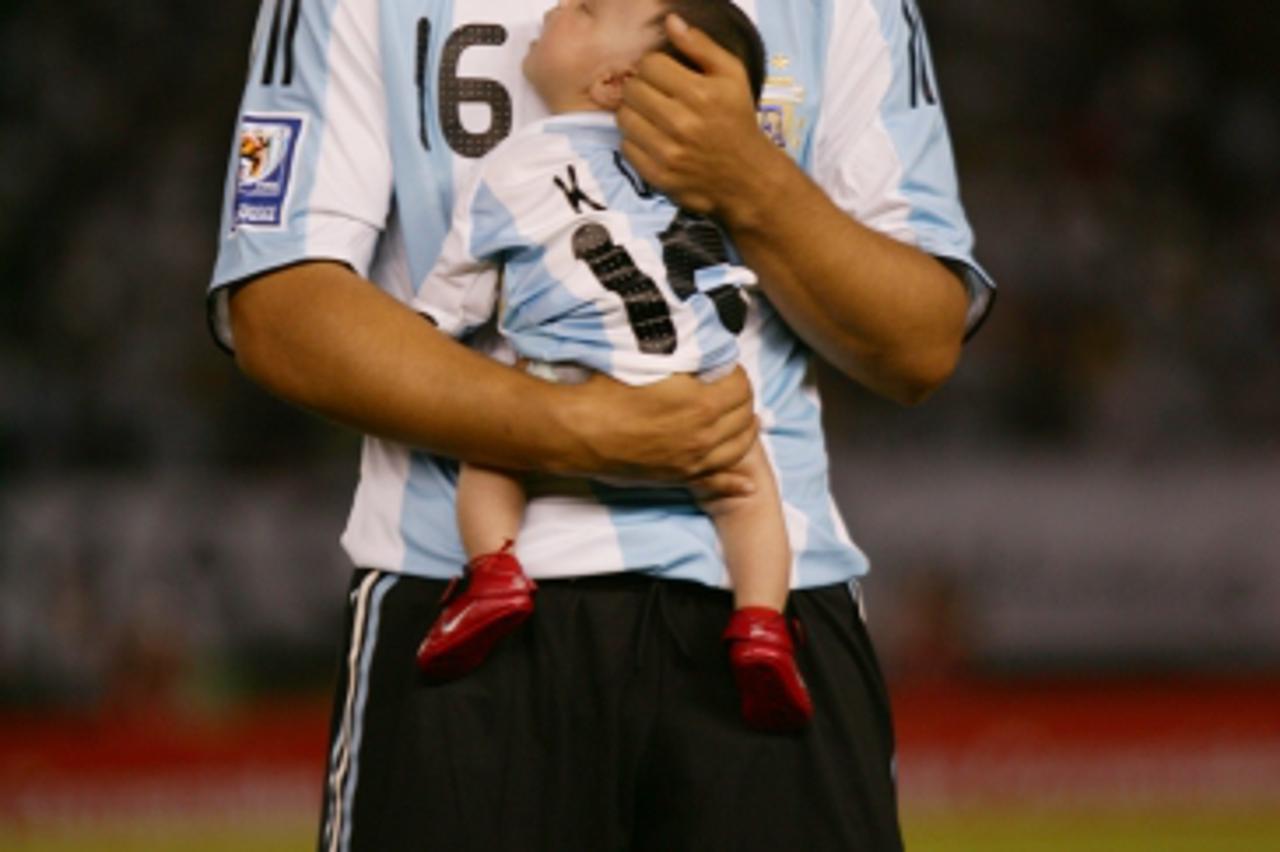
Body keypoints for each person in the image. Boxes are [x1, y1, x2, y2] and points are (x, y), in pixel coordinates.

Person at [209, 0, 994, 848]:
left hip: (761, 616)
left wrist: (751, 180)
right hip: (459, 600)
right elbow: (279, 308)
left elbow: (918, 343)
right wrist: (573, 429)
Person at [411, 0, 811, 733]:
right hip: (697, 398)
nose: (559, 6)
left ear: (612, 82)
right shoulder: (688, 176)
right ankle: (761, 624)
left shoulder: (510, 167)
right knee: (751, 494)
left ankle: (494, 572)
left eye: (587, 9)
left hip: (566, 385)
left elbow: (452, 299)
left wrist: (418, 335)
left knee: (491, 452)